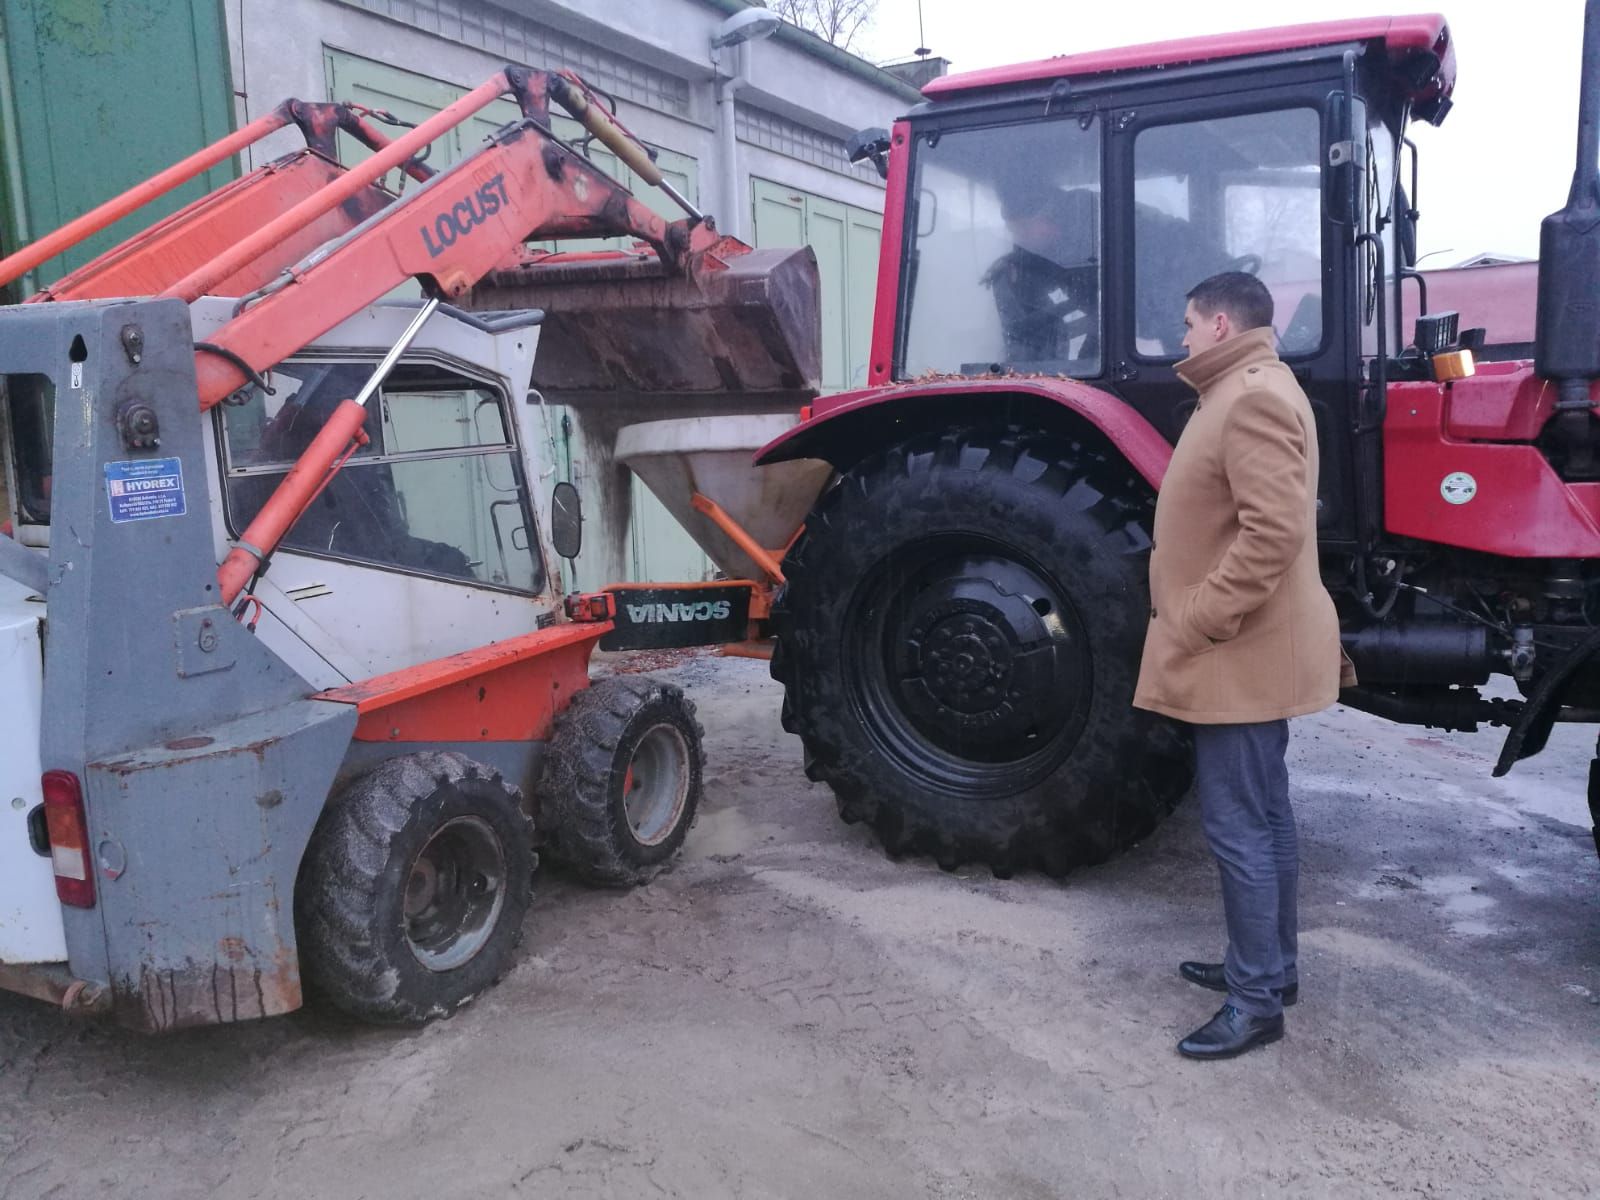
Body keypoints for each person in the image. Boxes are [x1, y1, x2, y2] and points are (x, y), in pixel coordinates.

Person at [1132, 271, 1353, 1061]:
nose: (1182, 336)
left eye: (1189, 323)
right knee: (1264, 815)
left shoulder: (1250, 397)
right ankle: (1270, 967)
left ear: (1221, 324)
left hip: (1238, 650)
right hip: (1247, 650)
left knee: (1239, 826)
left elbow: (1273, 533)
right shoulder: (1242, 388)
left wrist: (1200, 616)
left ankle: (1256, 1000)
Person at [981, 182, 1100, 367]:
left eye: (1026, 228)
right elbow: (1021, 335)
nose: (1019, 238)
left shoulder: (1089, 250)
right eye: (1015, 231)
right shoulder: (1012, 270)